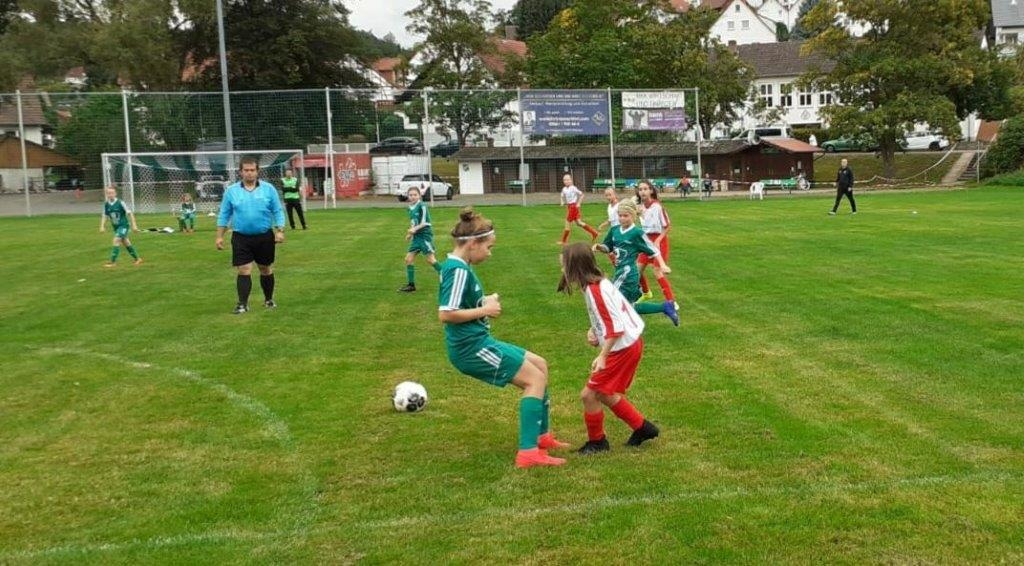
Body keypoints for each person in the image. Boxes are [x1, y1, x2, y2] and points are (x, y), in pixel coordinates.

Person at [438, 207, 569, 469]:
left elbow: (461, 303)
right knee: (534, 380)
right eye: (489, 247)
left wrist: (484, 300)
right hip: (470, 348)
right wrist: (485, 310)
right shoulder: (457, 270)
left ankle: (541, 436)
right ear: (472, 243)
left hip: (479, 341)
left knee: (540, 364)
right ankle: (528, 453)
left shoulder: (459, 266)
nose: (490, 253)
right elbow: (446, 314)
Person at [558, 243, 660, 454]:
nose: (562, 269)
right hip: (630, 343)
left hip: (623, 348)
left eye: (563, 265)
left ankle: (597, 442)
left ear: (574, 267)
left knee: (589, 395)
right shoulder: (599, 283)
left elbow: (616, 327)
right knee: (604, 393)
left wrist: (603, 356)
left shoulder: (595, 290)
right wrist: (595, 331)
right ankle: (643, 428)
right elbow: (612, 316)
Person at [215, 156, 286, 314]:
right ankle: (242, 304)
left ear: (257, 171)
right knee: (244, 269)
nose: (249, 173)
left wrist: (280, 230)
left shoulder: (269, 189)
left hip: (264, 236)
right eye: (246, 170)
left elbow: (277, 211)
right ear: (240, 172)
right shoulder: (231, 191)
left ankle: (268, 299)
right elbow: (224, 215)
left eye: (252, 170)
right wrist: (219, 236)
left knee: (265, 268)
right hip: (241, 237)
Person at [592, 201, 678, 326]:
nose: (622, 218)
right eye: (620, 215)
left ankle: (606, 327)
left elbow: (654, 250)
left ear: (633, 216)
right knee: (629, 306)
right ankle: (665, 307)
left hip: (628, 274)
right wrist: (600, 247)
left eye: (625, 215)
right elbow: (607, 247)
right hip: (620, 272)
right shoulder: (614, 230)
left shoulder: (637, 233)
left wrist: (663, 265)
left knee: (610, 298)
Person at [636, 181, 678, 308]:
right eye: (640, 189)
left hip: (659, 239)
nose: (642, 191)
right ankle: (646, 293)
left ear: (651, 191)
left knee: (657, 271)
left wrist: (659, 240)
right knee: (637, 270)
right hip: (646, 240)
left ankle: (671, 301)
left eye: (645, 189)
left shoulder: (657, 207)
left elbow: (667, 226)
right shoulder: (639, 207)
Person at [398, 185, 441, 293]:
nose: (413, 197)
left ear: (419, 195)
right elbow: (414, 222)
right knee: (408, 259)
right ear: (408, 196)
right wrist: (410, 234)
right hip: (416, 237)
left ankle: (447, 276)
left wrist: (414, 229)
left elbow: (425, 222)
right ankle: (411, 285)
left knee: (431, 260)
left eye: (415, 195)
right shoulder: (409, 208)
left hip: (424, 236)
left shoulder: (422, 206)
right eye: (410, 195)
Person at [100, 186, 142, 267]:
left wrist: (134, 225)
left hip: (123, 226)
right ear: (106, 194)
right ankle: (137, 259)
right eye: (108, 193)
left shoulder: (120, 203)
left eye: (112, 193)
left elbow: (130, 213)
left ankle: (113, 262)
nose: (110, 195)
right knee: (126, 242)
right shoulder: (106, 204)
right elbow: (105, 216)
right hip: (116, 227)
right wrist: (102, 226)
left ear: (115, 193)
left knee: (116, 240)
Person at [559, 173, 600, 245]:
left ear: (571, 180)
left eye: (568, 179)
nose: (566, 181)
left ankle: (563, 241)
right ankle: (594, 233)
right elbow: (561, 195)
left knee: (567, 223)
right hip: (570, 207)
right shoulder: (564, 189)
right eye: (564, 180)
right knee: (579, 223)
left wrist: (579, 203)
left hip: (573, 207)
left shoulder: (573, 188)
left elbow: (582, 194)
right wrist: (562, 201)